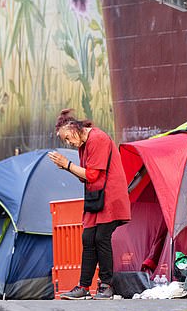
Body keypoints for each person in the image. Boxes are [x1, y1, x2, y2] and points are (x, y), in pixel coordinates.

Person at [48, 109, 131, 300]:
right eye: (65, 141)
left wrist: (67, 165)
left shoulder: (97, 139)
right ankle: (84, 286)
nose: (69, 143)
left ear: (75, 128)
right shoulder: (83, 145)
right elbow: (84, 176)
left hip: (110, 197)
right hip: (96, 197)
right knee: (88, 238)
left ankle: (106, 285)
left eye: (68, 138)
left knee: (101, 237)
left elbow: (92, 175)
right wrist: (67, 167)